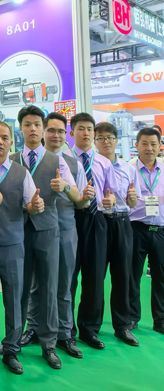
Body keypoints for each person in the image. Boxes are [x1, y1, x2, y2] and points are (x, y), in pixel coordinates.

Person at [11, 105, 78, 370]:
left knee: (50, 287)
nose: (32, 129)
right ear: (21, 128)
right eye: (27, 124)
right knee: (19, 289)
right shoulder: (11, 159)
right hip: (17, 230)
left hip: (49, 231)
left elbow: (75, 192)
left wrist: (65, 186)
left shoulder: (57, 161)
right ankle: (13, 343)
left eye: (37, 124)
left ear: (42, 129)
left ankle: (49, 344)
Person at [0, 122, 43, 375]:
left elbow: (30, 204)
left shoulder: (21, 173)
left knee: (14, 299)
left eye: (4, 138)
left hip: (12, 245)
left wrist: (35, 206)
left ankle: (11, 349)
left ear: (11, 142)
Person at [25, 112, 84, 359]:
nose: (55, 135)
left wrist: (66, 187)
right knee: (34, 284)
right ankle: (33, 328)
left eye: (60, 131)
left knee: (62, 284)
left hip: (65, 229)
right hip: (32, 228)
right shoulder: (23, 159)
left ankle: (64, 333)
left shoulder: (71, 164)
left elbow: (81, 201)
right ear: (43, 132)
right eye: (51, 130)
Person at [65, 112, 118, 350]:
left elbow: (111, 192)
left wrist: (111, 200)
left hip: (97, 220)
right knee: (68, 277)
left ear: (93, 133)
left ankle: (89, 329)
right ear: (72, 132)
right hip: (71, 219)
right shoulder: (64, 159)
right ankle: (66, 329)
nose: (85, 133)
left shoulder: (104, 163)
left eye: (89, 129)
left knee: (95, 277)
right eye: (81, 129)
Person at [94, 122, 139, 346]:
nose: (106, 142)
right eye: (101, 138)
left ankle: (122, 326)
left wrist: (132, 200)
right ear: (95, 142)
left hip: (122, 223)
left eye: (110, 137)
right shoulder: (90, 165)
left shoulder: (128, 168)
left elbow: (132, 202)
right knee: (96, 277)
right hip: (99, 222)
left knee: (123, 275)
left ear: (116, 140)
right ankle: (91, 327)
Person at [129, 128, 164, 335]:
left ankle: (161, 320)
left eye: (153, 144)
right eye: (145, 143)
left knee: (161, 277)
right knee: (132, 275)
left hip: (161, 230)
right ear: (137, 145)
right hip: (136, 229)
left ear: (160, 146)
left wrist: (143, 201)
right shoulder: (129, 168)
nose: (149, 148)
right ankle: (131, 318)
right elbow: (125, 199)